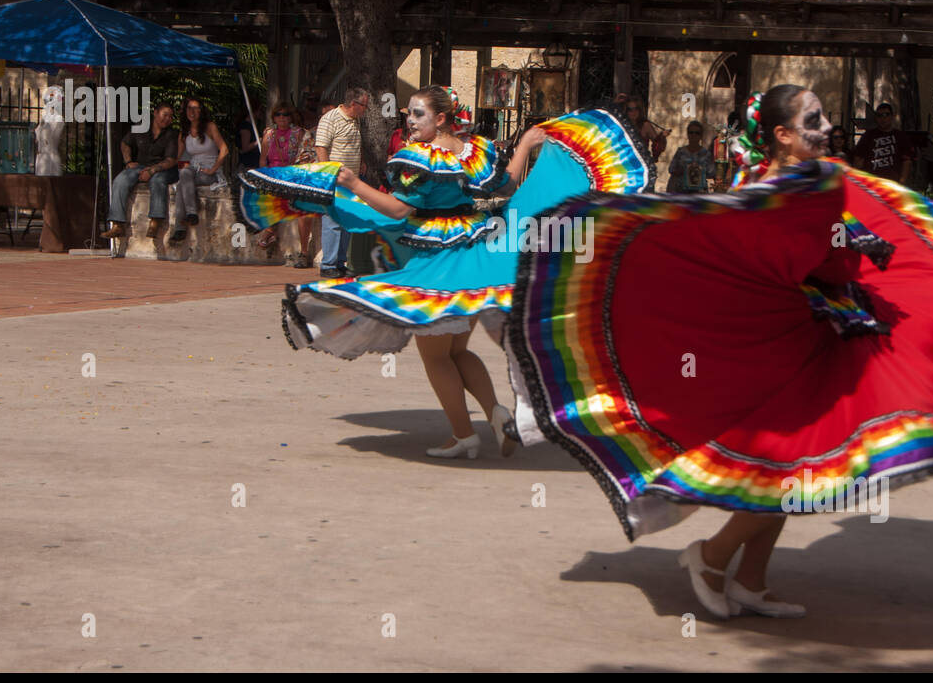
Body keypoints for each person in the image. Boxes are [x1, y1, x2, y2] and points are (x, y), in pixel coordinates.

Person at [504, 85, 933, 621]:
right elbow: (788, 259)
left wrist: (855, 242)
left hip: (819, 337)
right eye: (813, 121)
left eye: (824, 120)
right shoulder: (769, 191)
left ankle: (750, 577)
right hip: (775, 348)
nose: (827, 130)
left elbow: (835, 245)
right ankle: (712, 558)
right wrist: (843, 245)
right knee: (785, 468)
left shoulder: (817, 185)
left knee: (803, 464)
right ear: (782, 135)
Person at [238, 85, 653, 460]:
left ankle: (462, 435)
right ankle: (495, 416)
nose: (409, 122)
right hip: (473, 249)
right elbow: (506, 186)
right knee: (457, 351)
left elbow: (400, 209)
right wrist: (526, 143)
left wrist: (351, 184)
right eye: (407, 115)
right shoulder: (475, 151)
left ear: (440, 118)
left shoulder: (418, 158)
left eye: (417, 115)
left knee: (436, 356)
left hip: (436, 261)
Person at [314, 88, 369, 278]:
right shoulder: (330, 119)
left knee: (345, 220)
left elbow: (354, 144)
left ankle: (339, 261)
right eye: (364, 105)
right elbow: (321, 147)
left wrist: (360, 161)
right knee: (332, 221)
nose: (366, 109)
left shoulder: (356, 120)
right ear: (354, 104)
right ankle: (328, 264)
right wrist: (327, 173)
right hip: (335, 178)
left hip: (351, 179)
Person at [105, 103, 178, 240]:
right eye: (165, 115)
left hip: (163, 168)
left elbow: (170, 160)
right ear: (155, 113)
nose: (167, 119)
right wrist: (128, 161)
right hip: (141, 165)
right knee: (121, 180)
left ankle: (155, 221)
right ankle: (117, 224)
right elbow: (125, 143)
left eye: (170, 116)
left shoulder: (171, 134)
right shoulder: (141, 127)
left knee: (158, 180)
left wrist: (151, 171)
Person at [254, 103, 311, 267]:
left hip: (292, 174)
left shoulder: (299, 133)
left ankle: (271, 232)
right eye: (278, 114)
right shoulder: (269, 135)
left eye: (285, 115)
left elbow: (305, 155)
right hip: (273, 175)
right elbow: (263, 158)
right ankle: (271, 231)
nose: (282, 118)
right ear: (274, 117)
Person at [169, 98, 229, 245]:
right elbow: (177, 157)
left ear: (201, 111)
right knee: (184, 174)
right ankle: (191, 213)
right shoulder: (184, 131)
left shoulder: (210, 127)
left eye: (196, 108)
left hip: (210, 170)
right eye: (189, 108)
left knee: (183, 183)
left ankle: (180, 227)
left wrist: (213, 169)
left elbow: (224, 149)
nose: (192, 112)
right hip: (193, 169)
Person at [851, 103, 912, 183]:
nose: (883, 118)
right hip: (872, 181)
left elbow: (906, 160)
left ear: (892, 117)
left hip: (893, 182)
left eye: (886, 114)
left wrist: (902, 180)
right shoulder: (868, 136)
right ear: (876, 118)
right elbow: (858, 159)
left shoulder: (900, 136)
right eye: (879, 115)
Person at [617, 93, 667, 164]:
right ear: (626, 111)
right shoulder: (621, 126)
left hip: (640, 165)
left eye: (636, 109)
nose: (633, 112)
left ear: (639, 110)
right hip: (623, 164)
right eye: (630, 109)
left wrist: (662, 137)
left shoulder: (645, 126)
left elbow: (658, 146)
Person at [666, 120, 715, 193]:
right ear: (687, 134)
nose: (693, 135)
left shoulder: (706, 154)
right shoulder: (681, 152)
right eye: (691, 132)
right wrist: (682, 170)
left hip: (700, 193)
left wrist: (700, 171)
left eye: (697, 133)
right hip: (681, 192)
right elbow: (671, 169)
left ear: (701, 135)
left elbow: (712, 172)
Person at [236, 101, 264, 171]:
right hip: (248, 165)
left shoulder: (254, 125)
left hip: (254, 164)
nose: (261, 112)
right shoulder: (246, 127)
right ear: (254, 111)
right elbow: (245, 148)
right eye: (260, 110)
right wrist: (259, 140)